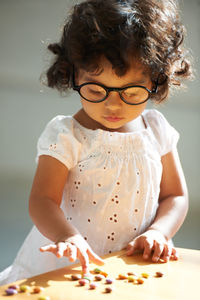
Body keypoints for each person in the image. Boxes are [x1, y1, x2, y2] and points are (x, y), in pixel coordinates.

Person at [0, 0, 193, 285]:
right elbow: (42, 200)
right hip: (71, 264)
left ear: (156, 80)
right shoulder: (67, 135)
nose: (113, 105)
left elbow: (175, 196)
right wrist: (67, 237)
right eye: (95, 89)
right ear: (73, 73)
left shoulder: (156, 130)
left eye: (131, 91)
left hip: (135, 263)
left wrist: (159, 232)